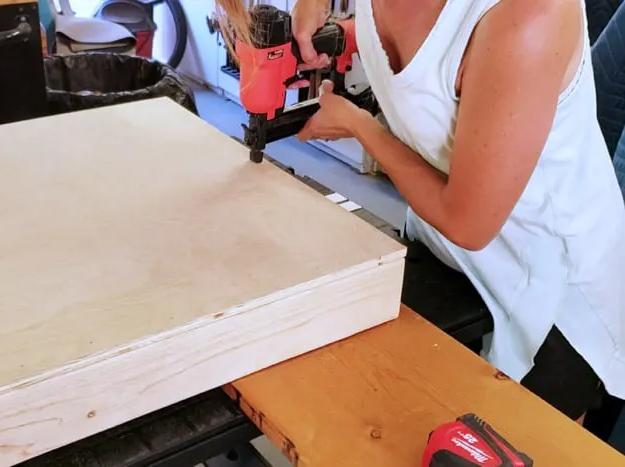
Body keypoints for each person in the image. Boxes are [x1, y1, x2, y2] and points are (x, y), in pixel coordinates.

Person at [217, 0, 625, 422]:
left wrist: (361, 127)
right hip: (445, 250)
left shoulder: (529, 15)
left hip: (553, 296)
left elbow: (467, 222)